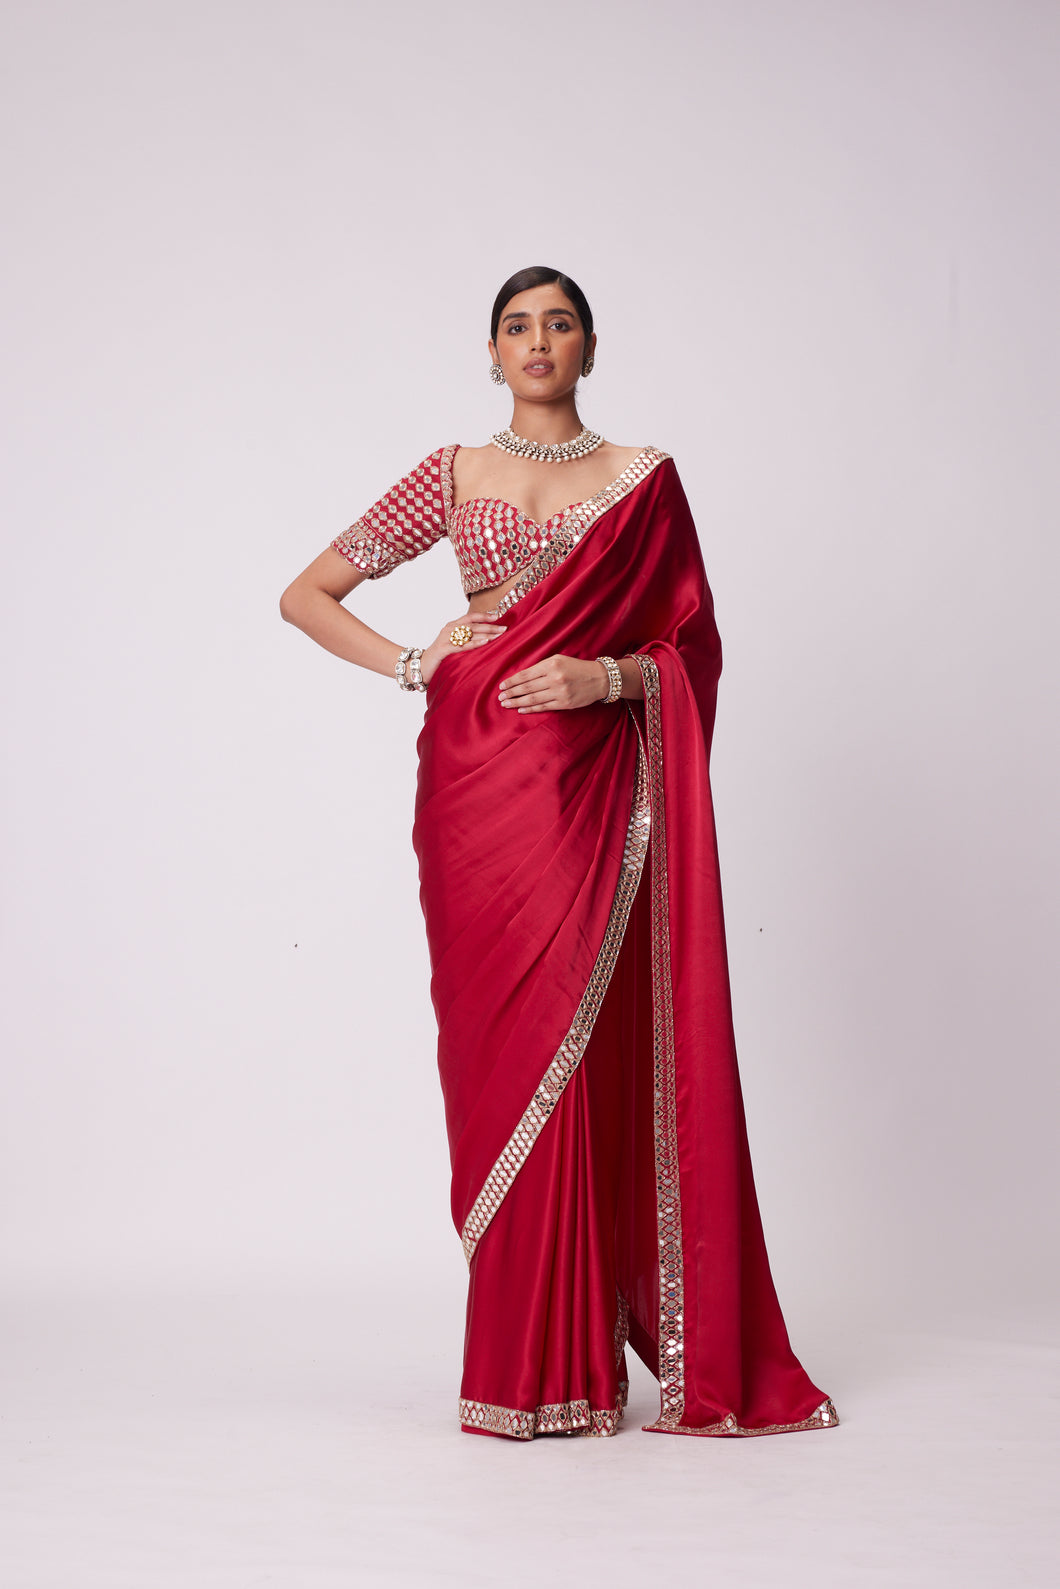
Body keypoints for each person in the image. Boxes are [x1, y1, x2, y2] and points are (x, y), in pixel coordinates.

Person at [279, 266, 840, 1441]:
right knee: (496, 1053)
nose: (538, 341)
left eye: (559, 323)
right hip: (473, 781)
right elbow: (306, 593)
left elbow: (693, 645)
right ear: (491, 352)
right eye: (516, 326)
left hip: (590, 786)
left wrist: (608, 676)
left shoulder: (643, 479)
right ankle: (526, 1361)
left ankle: (576, 1364)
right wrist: (415, 659)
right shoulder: (449, 472)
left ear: (589, 345)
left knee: (581, 1046)